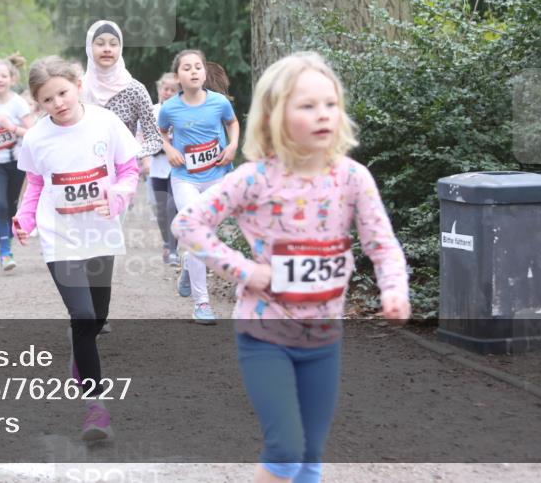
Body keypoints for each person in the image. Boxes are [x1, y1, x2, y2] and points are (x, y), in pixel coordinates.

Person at [172, 51, 410, 483]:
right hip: (265, 336)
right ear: (275, 115)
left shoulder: (353, 178)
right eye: (307, 105)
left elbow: (382, 245)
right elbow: (187, 223)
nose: (323, 115)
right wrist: (246, 271)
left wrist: (394, 289)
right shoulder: (254, 179)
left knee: (311, 456)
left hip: (324, 338)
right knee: (285, 448)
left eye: (331, 104)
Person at [12, 56, 140, 442]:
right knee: (82, 317)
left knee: (98, 319)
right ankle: (96, 410)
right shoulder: (36, 137)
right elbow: (35, 184)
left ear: (77, 84)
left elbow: (130, 171)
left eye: (63, 93)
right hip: (60, 237)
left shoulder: (106, 123)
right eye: (47, 100)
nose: (58, 104)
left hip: (100, 233)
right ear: (38, 103)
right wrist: (26, 219)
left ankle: (80, 359)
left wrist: (116, 197)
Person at [157, 49, 239, 325]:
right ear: (178, 76)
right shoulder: (170, 108)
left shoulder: (219, 102)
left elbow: (232, 122)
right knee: (196, 233)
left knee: (203, 237)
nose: (193, 72)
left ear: (205, 72)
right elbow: (161, 132)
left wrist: (232, 146)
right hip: (185, 179)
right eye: (187, 68)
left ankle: (190, 270)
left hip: (217, 176)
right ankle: (202, 303)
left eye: (198, 67)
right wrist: (168, 148)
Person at [81, 19, 162, 173]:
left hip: (121, 177)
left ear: (121, 47)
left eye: (113, 44)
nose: (107, 49)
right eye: (100, 43)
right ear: (89, 48)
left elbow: (154, 139)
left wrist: (128, 156)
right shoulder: (77, 89)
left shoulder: (134, 90)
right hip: (83, 175)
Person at [0, 54, 35, 270]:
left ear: (12, 79)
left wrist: (11, 127)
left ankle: (6, 243)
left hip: (17, 162)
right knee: (0, 204)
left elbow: (31, 132)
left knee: (11, 206)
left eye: (3, 76)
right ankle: (4, 252)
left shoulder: (19, 104)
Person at [149, 72, 180, 265]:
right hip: (157, 165)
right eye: (165, 89)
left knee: (172, 206)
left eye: (172, 90)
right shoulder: (151, 111)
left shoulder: (181, 110)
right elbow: (141, 135)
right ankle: (166, 241)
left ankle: (173, 248)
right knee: (160, 209)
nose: (167, 93)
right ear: (159, 89)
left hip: (177, 165)